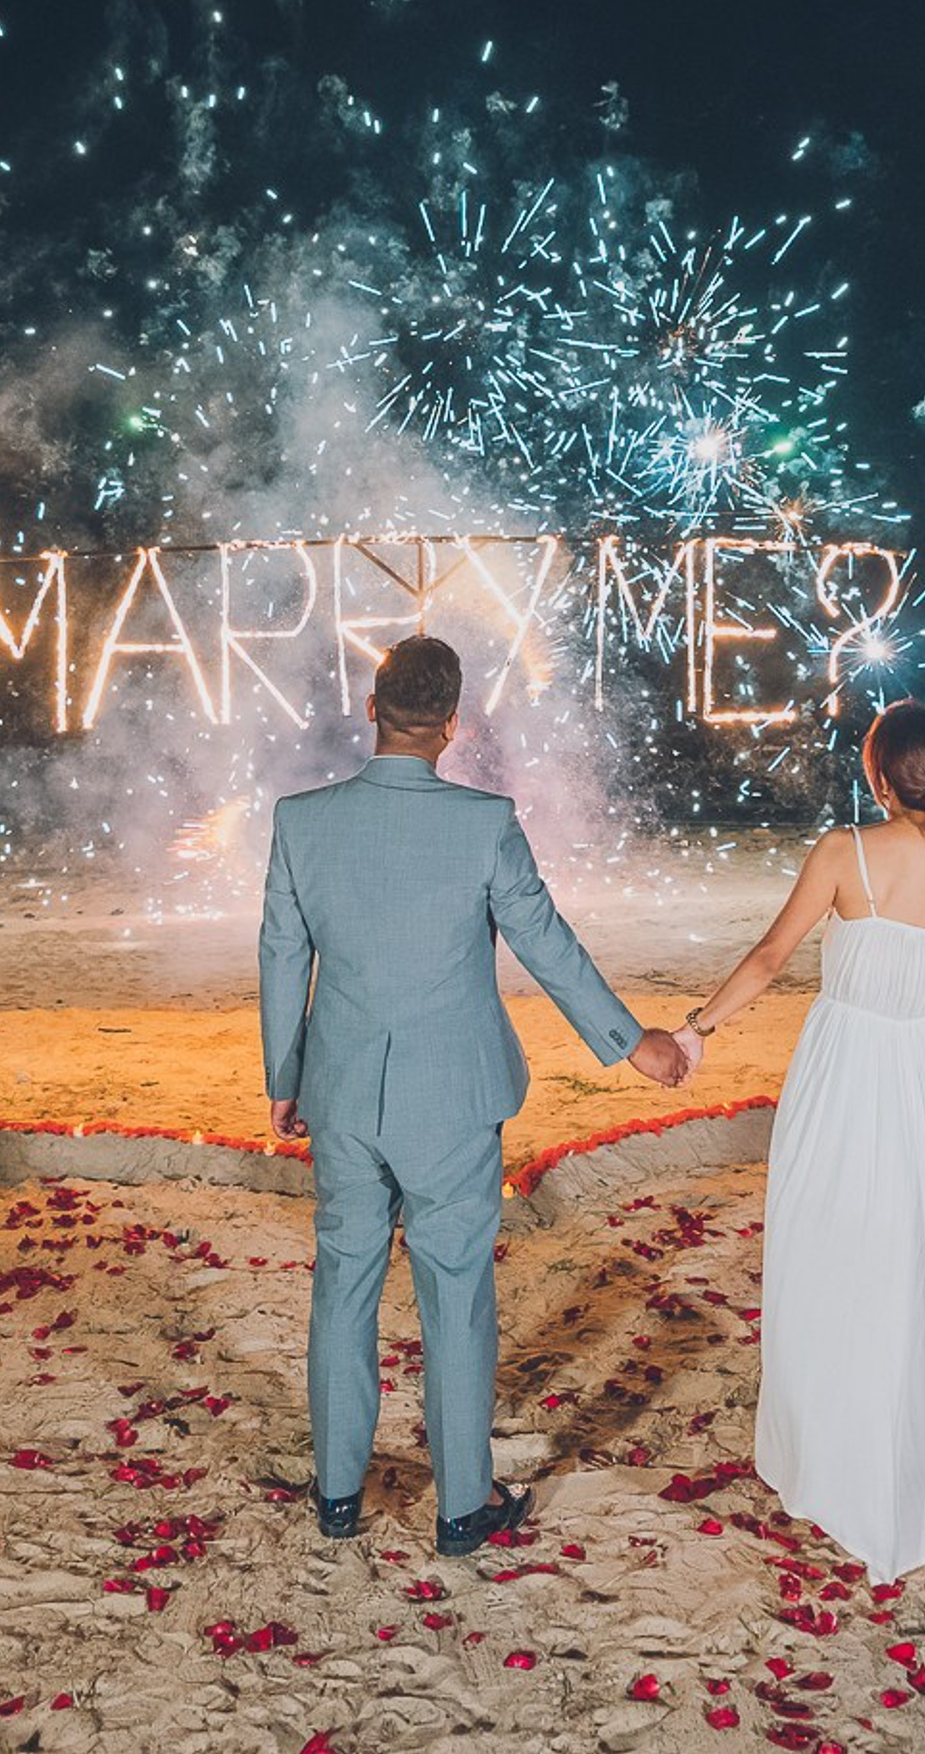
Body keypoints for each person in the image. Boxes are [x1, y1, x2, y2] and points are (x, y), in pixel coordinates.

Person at [258, 633, 692, 1555]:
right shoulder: (484, 823)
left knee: (343, 1285)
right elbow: (548, 945)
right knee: (455, 1297)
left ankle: (337, 1497)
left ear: (372, 710)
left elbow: (281, 958)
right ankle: (462, 1508)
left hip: (338, 1090)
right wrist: (632, 1043)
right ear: (451, 726)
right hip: (452, 1096)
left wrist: (284, 1078)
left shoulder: (300, 820)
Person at [675, 700, 925, 1583]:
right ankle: (897, 1449)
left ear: (878, 775)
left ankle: (832, 1454)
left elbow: (770, 957)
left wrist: (698, 1026)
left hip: (844, 1070)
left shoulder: (844, 853)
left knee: (830, 1253)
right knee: (916, 1264)